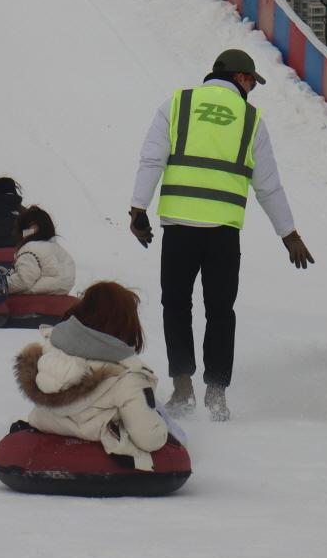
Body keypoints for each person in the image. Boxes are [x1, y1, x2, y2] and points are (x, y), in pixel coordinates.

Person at [127, 48, 315, 421]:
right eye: (252, 82)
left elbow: (152, 159)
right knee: (220, 312)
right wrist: (289, 235)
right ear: (242, 78)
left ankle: (183, 388)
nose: (252, 90)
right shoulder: (250, 119)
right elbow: (269, 186)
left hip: (179, 228)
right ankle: (216, 395)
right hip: (223, 235)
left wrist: (138, 209)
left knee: (176, 307)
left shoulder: (176, 105)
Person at [13, 281, 173, 470]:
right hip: (98, 433)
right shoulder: (127, 377)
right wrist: (164, 429)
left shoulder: (51, 352)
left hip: (49, 423)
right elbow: (148, 438)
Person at [5, 205, 75, 295]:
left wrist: (1, 285)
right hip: (61, 298)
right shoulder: (60, 250)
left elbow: (23, 281)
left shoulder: (30, 249)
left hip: (35, 302)